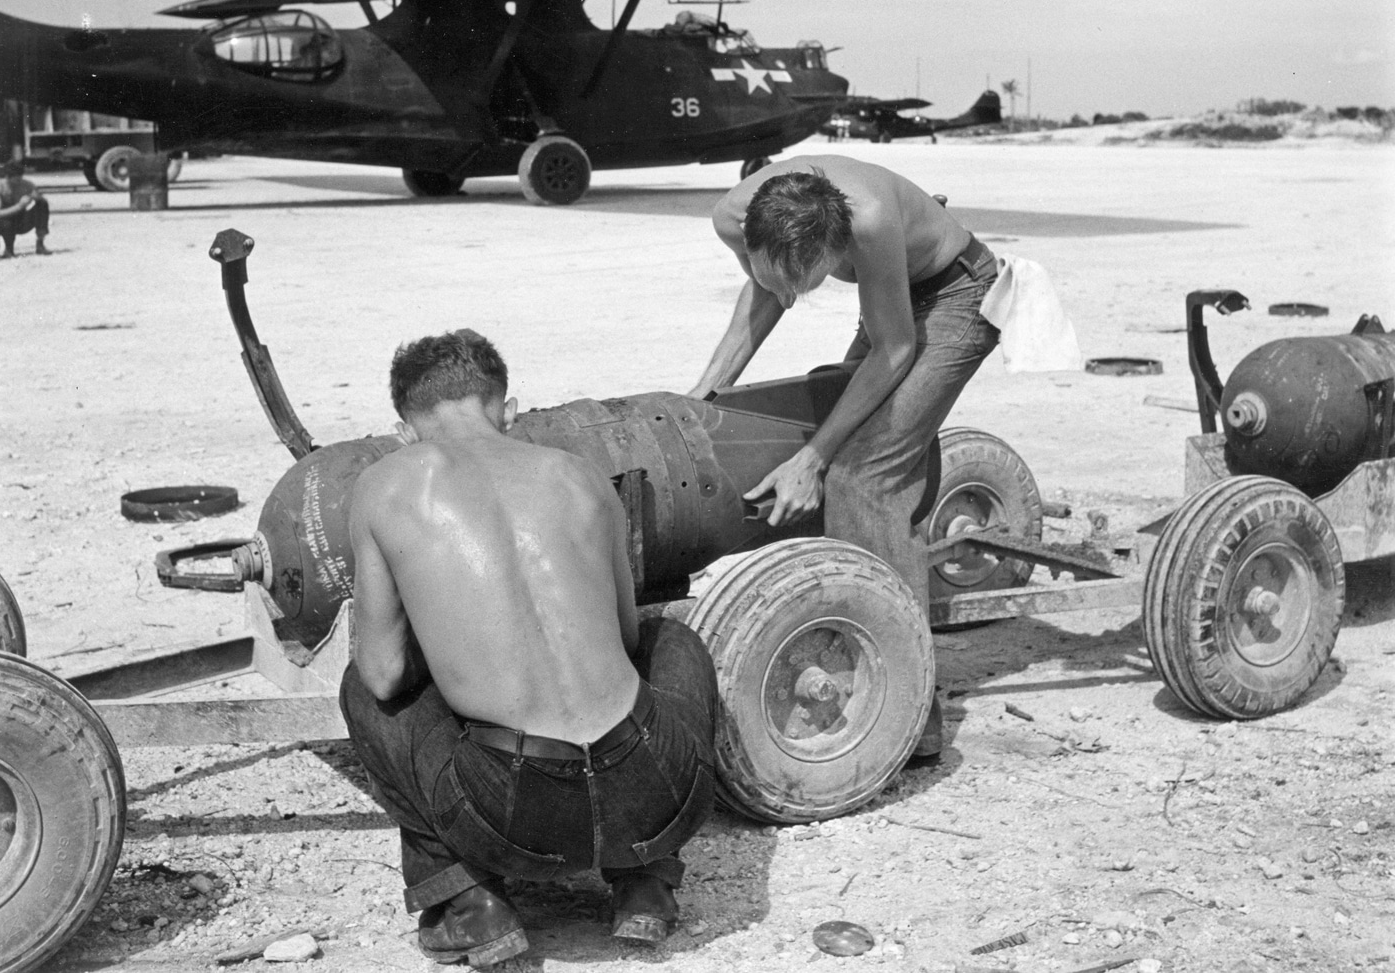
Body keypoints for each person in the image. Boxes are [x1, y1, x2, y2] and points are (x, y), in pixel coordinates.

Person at [339, 329, 718, 968]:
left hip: (513, 814)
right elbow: (625, 638)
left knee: (363, 688)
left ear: (405, 429)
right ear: (508, 411)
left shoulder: (387, 483)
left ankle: (468, 904)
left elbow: (382, 674)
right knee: (670, 638)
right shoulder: (578, 473)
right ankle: (645, 877)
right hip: (652, 788)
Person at [690, 154, 999, 621]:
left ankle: (902, 668)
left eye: (804, 284)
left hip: (955, 293)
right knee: (818, 430)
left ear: (839, 247)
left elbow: (894, 349)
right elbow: (768, 295)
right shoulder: (730, 217)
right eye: (780, 281)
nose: (790, 297)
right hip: (890, 296)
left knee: (863, 476)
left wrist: (812, 459)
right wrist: (701, 399)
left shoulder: (868, 222)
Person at [0, 161, 50, 258]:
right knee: (4, 221)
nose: (19, 181)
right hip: (3, 223)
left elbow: (41, 200)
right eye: (16, 179)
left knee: (42, 204)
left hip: (21, 221)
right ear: (7, 177)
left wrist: (37, 197)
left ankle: (40, 244)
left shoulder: (26, 185)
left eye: (20, 178)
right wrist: (20, 205)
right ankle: (9, 249)